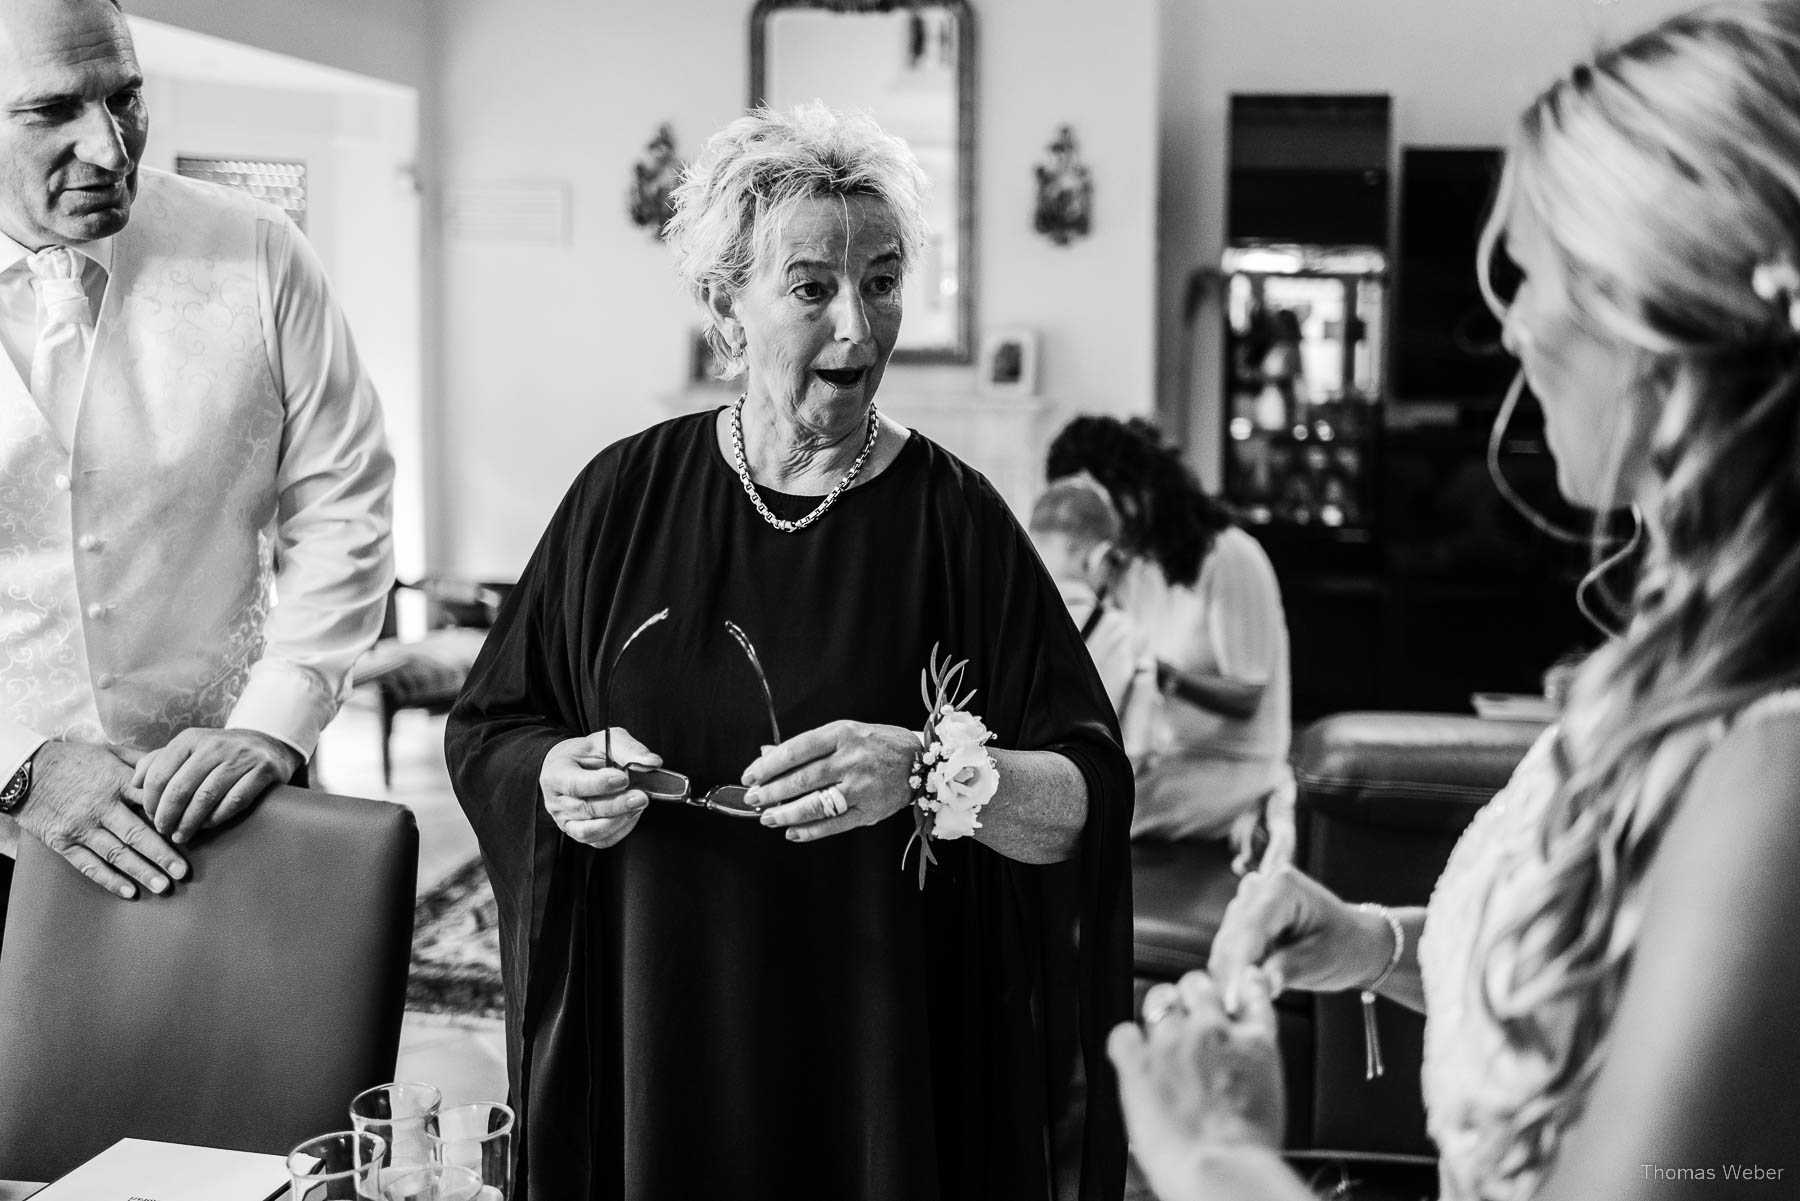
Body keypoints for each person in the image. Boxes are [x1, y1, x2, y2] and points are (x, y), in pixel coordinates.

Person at [1107, 4, 1800, 1199]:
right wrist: (1376, 941)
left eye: (1529, 275)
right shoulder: (1683, 663)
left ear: (1653, 304)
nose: (1511, 325)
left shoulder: (1771, 767)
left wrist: (1210, 1154)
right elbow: (1600, 996)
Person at [446, 104, 1133, 1201]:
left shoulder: (956, 522)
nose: (859, 331)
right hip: (659, 1043)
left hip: (880, 1068)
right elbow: (495, 726)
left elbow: (1085, 798)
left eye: (884, 281)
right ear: (728, 300)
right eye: (813, 287)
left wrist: (926, 772)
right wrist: (551, 775)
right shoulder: (622, 496)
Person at [0, 0, 394, 914]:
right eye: (52, 110)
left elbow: (347, 501)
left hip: (226, 827)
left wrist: (271, 728)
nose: (109, 147)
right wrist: (18, 761)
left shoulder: (260, 251)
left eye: (126, 98)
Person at [1047, 416, 1293, 869]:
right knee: (1059, 792)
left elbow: (1248, 695)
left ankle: (1257, 812)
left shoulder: (1229, 555)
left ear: (1136, 491)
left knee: (1077, 814)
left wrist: (1167, 677)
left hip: (1234, 766)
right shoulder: (1133, 569)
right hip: (1163, 759)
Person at [1027, 477, 1156, 764]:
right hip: (1090, 796)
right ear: (1098, 556)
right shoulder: (1125, 635)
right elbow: (1139, 743)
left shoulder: (999, 619)